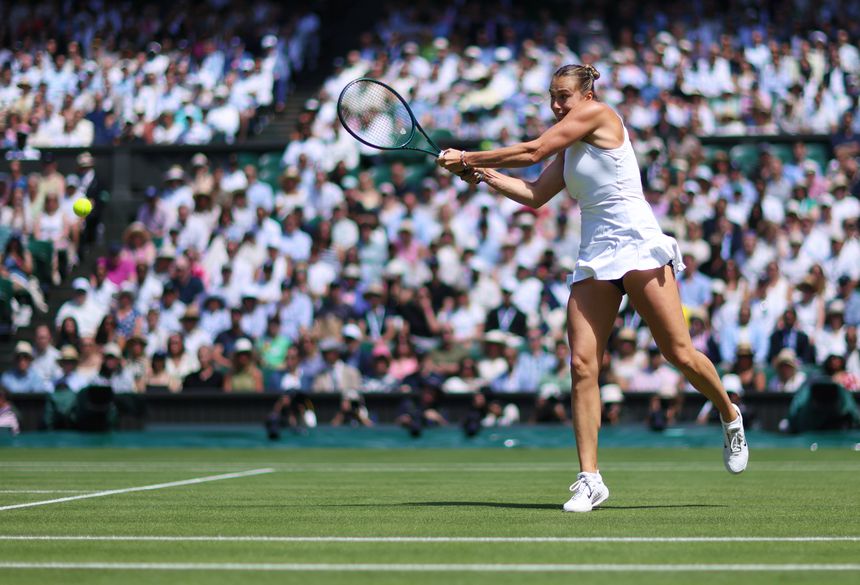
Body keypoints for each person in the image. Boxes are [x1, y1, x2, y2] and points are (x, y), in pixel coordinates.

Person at [438, 63, 747, 513]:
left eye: (564, 95)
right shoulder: (569, 143)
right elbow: (535, 194)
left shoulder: (600, 115)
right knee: (583, 365)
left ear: (586, 94)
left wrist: (468, 157)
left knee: (678, 352)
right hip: (595, 252)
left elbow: (532, 149)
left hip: (638, 242)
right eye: (552, 96)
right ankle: (590, 479)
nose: (557, 104)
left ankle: (730, 413)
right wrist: (482, 176)